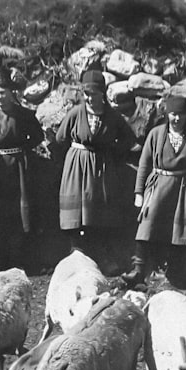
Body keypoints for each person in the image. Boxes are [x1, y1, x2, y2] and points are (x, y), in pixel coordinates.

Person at [122, 95, 186, 288]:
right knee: (147, 226)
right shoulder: (156, 134)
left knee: (178, 231)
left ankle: (172, 275)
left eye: (181, 115)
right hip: (158, 186)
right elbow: (144, 164)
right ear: (167, 114)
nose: (177, 119)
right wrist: (139, 193)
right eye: (173, 114)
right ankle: (138, 271)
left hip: (183, 190)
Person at [56, 69, 136, 254]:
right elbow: (60, 138)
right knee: (75, 211)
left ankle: (100, 255)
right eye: (86, 94)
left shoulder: (113, 116)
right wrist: (72, 158)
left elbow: (128, 140)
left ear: (103, 93)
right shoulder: (76, 113)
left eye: (94, 94)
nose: (90, 98)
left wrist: (112, 152)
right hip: (77, 165)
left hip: (102, 167)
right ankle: (76, 253)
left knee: (99, 210)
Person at [0, 66, 44, 270]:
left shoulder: (24, 115)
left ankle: (18, 258)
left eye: (2, 93)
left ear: (11, 93)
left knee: (17, 211)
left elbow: (38, 137)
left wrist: (22, 150)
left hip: (18, 169)